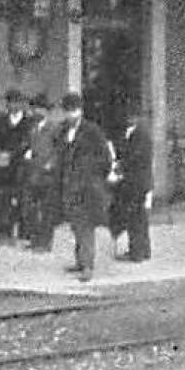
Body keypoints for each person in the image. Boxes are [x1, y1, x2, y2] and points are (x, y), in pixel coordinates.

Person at [54, 91, 113, 283]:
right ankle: (80, 260)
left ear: (80, 111)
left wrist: (93, 176)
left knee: (85, 226)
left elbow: (106, 158)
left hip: (87, 187)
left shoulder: (92, 131)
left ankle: (87, 266)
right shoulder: (62, 131)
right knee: (75, 225)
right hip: (68, 186)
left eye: (74, 110)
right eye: (67, 111)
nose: (70, 114)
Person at [0, 88, 33, 242]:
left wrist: (14, 154)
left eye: (16, 102)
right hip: (3, 165)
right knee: (3, 197)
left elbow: (28, 143)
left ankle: (23, 230)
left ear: (21, 104)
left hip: (20, 163)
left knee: (21, 196)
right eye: (10, 102)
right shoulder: (1, 121)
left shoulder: (28, 122)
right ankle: (4, 230)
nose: (13, 105)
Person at [114, 113, 154, 262]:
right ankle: (143, 250)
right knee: (140, 216)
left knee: (134, 217)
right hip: (139, 181)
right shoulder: (136, 133)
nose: (128, 119)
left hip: (137, 182)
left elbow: (136, 157)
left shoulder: (140, 134)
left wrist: (120, 165)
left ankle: (136, 252)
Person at [23, 94, 59, 252]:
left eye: (39, 108)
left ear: (46, 111)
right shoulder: (32, 128)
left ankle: (45, 242)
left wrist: (51, 164)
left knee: (46, 210)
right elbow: (30, 146)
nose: (36, 111)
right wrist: (28, 153)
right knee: (31, 208)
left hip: (47, 175)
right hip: (33, 172)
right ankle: (35, 239)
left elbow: (59, 150)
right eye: (34, 108)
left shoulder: (54, 128)